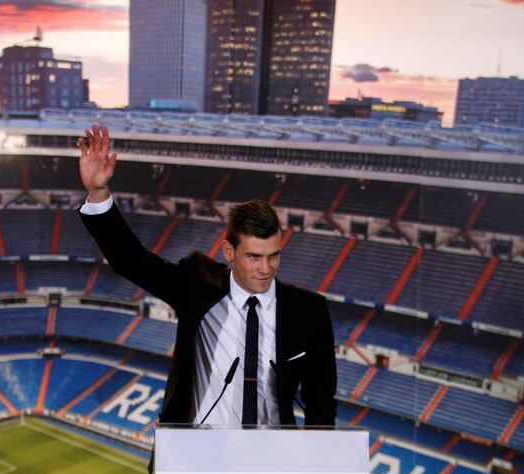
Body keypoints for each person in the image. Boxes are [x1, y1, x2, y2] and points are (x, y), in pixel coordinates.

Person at [77, 124, 337, 430]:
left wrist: (314, 465)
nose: (265, 268)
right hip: (197, 455)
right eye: (253, 257)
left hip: (271, 461)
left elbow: (321, 403)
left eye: (273, 255)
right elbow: (131, 261)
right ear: (229, 251)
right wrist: (98, 192)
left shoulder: (309, 311)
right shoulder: (196, 285)